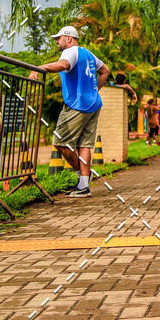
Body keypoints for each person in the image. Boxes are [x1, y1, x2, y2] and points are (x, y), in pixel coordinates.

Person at [29, 25, 109, 197]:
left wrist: (39, 68)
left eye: (58, 38)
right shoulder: (88, 53)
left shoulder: (70, 52)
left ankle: (83, 175)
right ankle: (83, 186)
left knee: (60, 142)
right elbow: (105, 71)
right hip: (94, 104)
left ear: (69, 38)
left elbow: (63, 65)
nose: (56, 41)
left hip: (77, 106)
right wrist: (94, 91)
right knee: (84, 145)